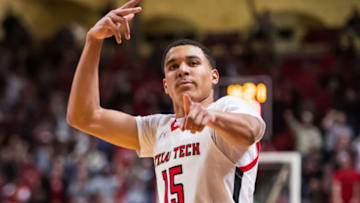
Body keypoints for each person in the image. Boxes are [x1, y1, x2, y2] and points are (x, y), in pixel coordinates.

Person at [66, 0, 266, 202]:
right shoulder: (157, 128)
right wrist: (93, 41)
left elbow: (252, 131)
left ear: (214, 76)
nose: (182, 70)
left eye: (193, 63)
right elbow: (84, 117)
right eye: (173, 66)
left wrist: (211, 117)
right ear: (165, 85)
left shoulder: (228, 106)